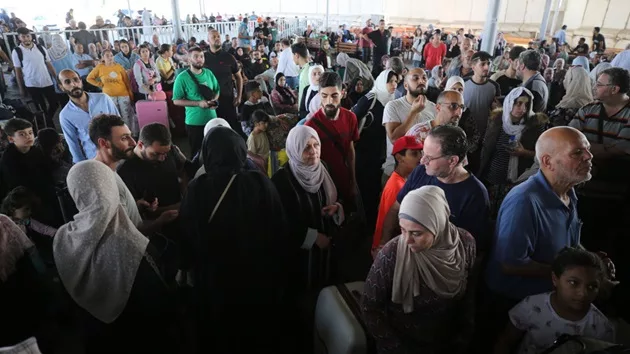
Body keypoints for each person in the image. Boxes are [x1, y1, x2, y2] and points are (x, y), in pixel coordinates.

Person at [178, 126, 290, 353]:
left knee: (220, 330)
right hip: (256, 274)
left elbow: (187, 234)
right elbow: (279, 229)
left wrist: (186, 266)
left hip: (214, 278)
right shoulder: (260, 183)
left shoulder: (197, 188)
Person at [484, 127, 597, 341]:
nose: (589, 157)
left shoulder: (567, 191)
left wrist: (591, 264)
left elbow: (569, 246)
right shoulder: (524, 201)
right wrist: (570, 276)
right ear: (547, 162)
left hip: (547, 301)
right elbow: (511, 263)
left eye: (588, 150)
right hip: (512, 305)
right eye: (577, 153)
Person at [53, 160, 176, 354]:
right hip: (143, 337)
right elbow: (157, 302)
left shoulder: (63, 238)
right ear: (110, 188)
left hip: (98, 337)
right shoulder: (130, 242)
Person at [362, 186, 477, 353]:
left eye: (416, 233)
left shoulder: (464, 244)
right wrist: (396, 348)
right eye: (402, 230)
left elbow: (468, 295)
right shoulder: (392, 254)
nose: (407, 240)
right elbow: (370, 307)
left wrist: (464, 337)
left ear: (438, 226)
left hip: (446, 342)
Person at [271, 125, 345, 349]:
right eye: (306, 148)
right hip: (299, 255)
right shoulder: (282, 181)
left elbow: (337, 199)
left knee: (325, 292)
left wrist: (337, 208)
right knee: (301, 300)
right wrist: (313, 238)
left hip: (326, 251)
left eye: (316, 145)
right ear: (294, 150)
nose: (313, 152)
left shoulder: (324, 168)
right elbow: (279, 222)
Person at [380, 126, 490, 250]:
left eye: (429, 158)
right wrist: (384, 243)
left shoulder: (475, 194)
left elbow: (474, 247)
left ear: (452, 160)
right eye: (423, 153)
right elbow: (395, 208)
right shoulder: (420, 172)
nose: (422, 161)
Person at [494, 248, 615, 354]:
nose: (583, 293)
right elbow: (506, 341)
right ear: (555, 279)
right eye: (573, 283)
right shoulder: (532, 306)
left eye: (592, 287)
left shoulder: (602, 328)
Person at [305, 72, 359, 205]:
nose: (329, 101)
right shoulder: (310, 127)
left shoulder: (350, 118)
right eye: (324, 96)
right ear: (319, 95)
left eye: (334, 95)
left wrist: (353, 181)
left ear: (342, 93)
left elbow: (350, 151)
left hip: (344, 179)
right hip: (322, 184)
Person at [372, 136, 423, 257]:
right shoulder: (397, 186)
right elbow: (392, 222)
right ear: (400, 158)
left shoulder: (404, 179)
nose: (420, 158)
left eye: (421, 152)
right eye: (414, 154)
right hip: (386, 246)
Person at [58, 69, 120, 163]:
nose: (74, 84)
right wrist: (82, 166)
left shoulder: (103, 99)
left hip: (117, 152)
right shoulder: (65, 115)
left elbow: (119, 124)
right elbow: (73, 144)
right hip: (94, 159)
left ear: (81, 81)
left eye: (76, 80)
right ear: (61, 87)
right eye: (67, 82)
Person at [173, 47, 220, 158]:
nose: (200, 59)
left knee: (214, 151)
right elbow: (176, 101)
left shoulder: (208, 73)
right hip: (194, 123)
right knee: (197, 154)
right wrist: (198, 103)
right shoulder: (182, 78)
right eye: (196, 57)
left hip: (212, 120)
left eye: (201, 56)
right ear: (189, 60)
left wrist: (214, 100)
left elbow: (217, 90)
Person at [204, 29, 244, 137]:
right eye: (213, 37)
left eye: (218, 36)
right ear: (208, 40)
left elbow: (238, 78)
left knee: (231, 128)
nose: (217, 38)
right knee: (213, 130)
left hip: (227, 98)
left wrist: (239, 96)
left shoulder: (229, 57)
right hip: (210, 101)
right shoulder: (204, 58)